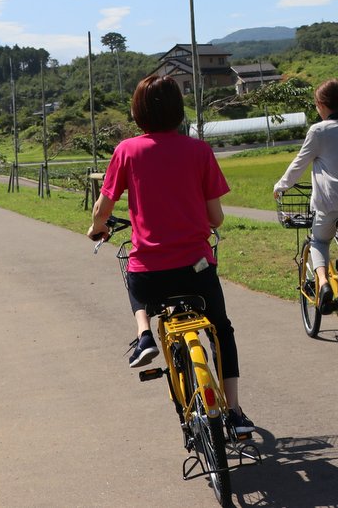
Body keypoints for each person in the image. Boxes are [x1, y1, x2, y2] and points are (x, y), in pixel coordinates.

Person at [87, 73, 254, 436]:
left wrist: (96, 226)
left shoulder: (126, 151)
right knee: (221, 330)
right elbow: (216, 217)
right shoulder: (199, 152)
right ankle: (236, 412)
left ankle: (144, 334)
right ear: (180, 111)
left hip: (151, 273)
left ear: (137, 112)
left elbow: (103, 208)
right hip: (196, 268)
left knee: (134, 275)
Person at [273, 79, 338, 315]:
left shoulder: (318, 131)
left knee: (319, 241)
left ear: (321, 104)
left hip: (332, 205)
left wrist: (281, 186)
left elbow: (299, 164)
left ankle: (323, 285)